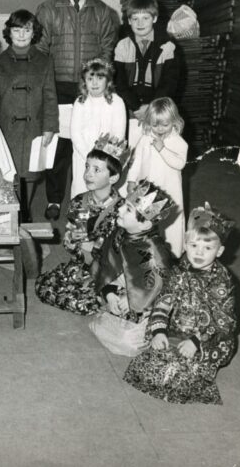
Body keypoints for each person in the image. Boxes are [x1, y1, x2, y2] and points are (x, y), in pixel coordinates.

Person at [123, 202, 237, 405]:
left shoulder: (221, 280)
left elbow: (225, 323)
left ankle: (192, 363)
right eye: (194, 246)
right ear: (185, 245)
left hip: (210, 336)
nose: (199, 253)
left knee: (182, 373)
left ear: (219, 252)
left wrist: (196, 341)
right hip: (178, 327)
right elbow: (164, 301)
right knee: (151, 361)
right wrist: (159, 330)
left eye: (208, 247)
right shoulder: (179, 269)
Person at [36, 0, 118, 220]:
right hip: (58, 87)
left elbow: (107, 52)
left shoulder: (104, 12)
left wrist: (96, 83)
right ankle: (55, 199)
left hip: (90, 90)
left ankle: (89, 198)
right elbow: (41, 52)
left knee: (90, 146)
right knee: (59, 149)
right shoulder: (48, 9)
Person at [35, 135, 128, 315]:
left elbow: (122, 254)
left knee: (84, 302)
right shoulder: (79, 202)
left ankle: (107, 296)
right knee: (43, 286)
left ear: (113, 177)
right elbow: (70, 241)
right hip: (81, 266)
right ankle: (99, 300)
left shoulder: (122, 211)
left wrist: (93, 248)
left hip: (108, 272)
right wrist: (71, 241)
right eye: (87, 167)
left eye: (96, 170)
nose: (88, 174)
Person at [89, 179, 176, 356]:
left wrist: (131, 300)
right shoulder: (120, 233)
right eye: (123, 204)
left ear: (145, 224)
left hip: (149, 304)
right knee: (99, 317)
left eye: (128, 209)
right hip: (124, 291)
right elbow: (105, 264)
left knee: (128, 342)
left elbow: (158, 287)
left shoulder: (155, 252)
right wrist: (110, 292)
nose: (119, 209)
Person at [0, 9, 58, 219]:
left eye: (26, 30)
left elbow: (50, 97)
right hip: (6, 129)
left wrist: (49, 127)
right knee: (7, 176)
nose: (21, 34)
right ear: (9, 32)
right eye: (16, 29)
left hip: (33, 129)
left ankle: (24, 217)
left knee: (29, 176)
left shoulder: (44, 61)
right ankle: (9, 219)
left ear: (34, 32)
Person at [114, 0, 180, 144]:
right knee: (131, 149)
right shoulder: (122, 46)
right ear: (129, 21)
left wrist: (151, 108)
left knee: (156, 150)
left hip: (158, 109)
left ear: (154, 18)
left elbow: (170, 83)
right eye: (135, 18)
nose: (140, 23)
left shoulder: (168, 47)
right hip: (131, 109)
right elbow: (119, 82)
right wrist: (137, 107)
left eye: (145, 18)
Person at [126, 97, 187, 256]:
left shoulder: (178, 141)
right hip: (148, 189)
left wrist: (162, 149)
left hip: (170, 189)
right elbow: (137, 159)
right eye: (154, 125)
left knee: (170, 222)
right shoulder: (146, 138)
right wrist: (131, 179)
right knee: (146, 219)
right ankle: (147, 252)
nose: (159, 129)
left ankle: (173, 254)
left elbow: (180, 163)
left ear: (174, 121)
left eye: (165, 125)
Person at [70, 59, 126, 198]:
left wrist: (102, 159)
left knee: (102, 191)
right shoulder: (80, 102)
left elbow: (118, 134)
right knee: (82, 189)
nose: (94, 83)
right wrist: (89, 158)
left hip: (106, 157)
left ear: (108, 81)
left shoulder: (116, 102)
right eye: (90, 79)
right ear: (84, 82)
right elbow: (75, 133)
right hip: (83, 155)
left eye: (100, 78)